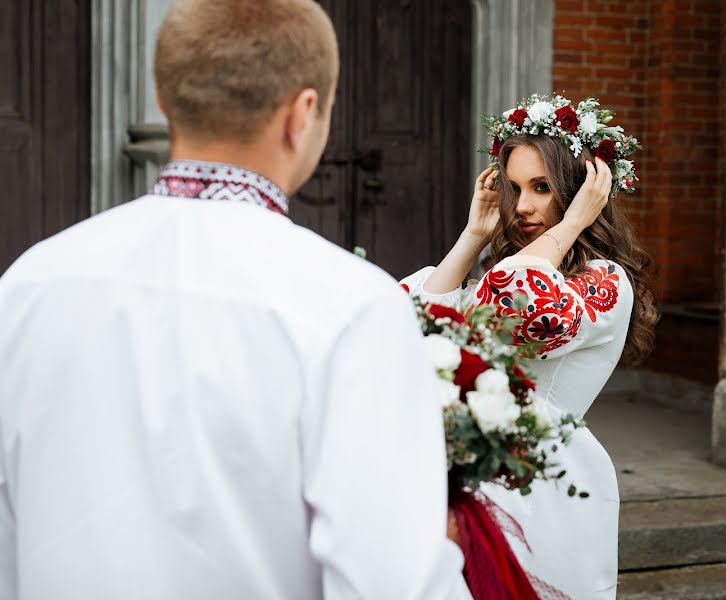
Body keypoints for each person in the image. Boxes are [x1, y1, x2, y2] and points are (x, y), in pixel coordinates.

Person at [0, 1, 466, 598]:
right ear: (303, 114)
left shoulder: (31, 283)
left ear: (164, 99)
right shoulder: (350, 305)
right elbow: (392, 582)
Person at [402, 105, 656, 598]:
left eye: (541, 187)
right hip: (467, 475)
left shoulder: (603, 281)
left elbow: (522, 304)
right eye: (514, 188)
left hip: (539, 483)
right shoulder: (511, 269)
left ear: (583, 189)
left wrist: (578, 219)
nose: (520, 206)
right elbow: (417, 325)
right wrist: (473, 236)